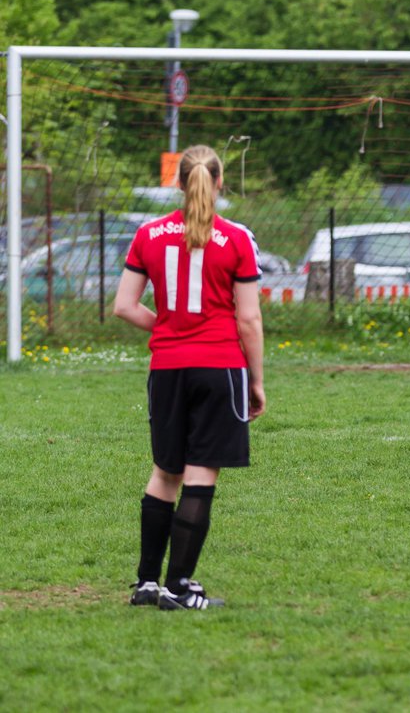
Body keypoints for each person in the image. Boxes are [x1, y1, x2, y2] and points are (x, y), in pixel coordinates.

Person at [114, 145, 265, 610]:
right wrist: (256, 381)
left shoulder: (148, 234)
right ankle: (179, 588)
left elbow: (123, 305)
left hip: (167, 369)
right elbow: (249, 320)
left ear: (178, 183)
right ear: (219, 183)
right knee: (200, 474)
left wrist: (164, 325)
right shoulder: (237, 238)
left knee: (165, 472)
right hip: (220, 368)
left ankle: (146, 584)